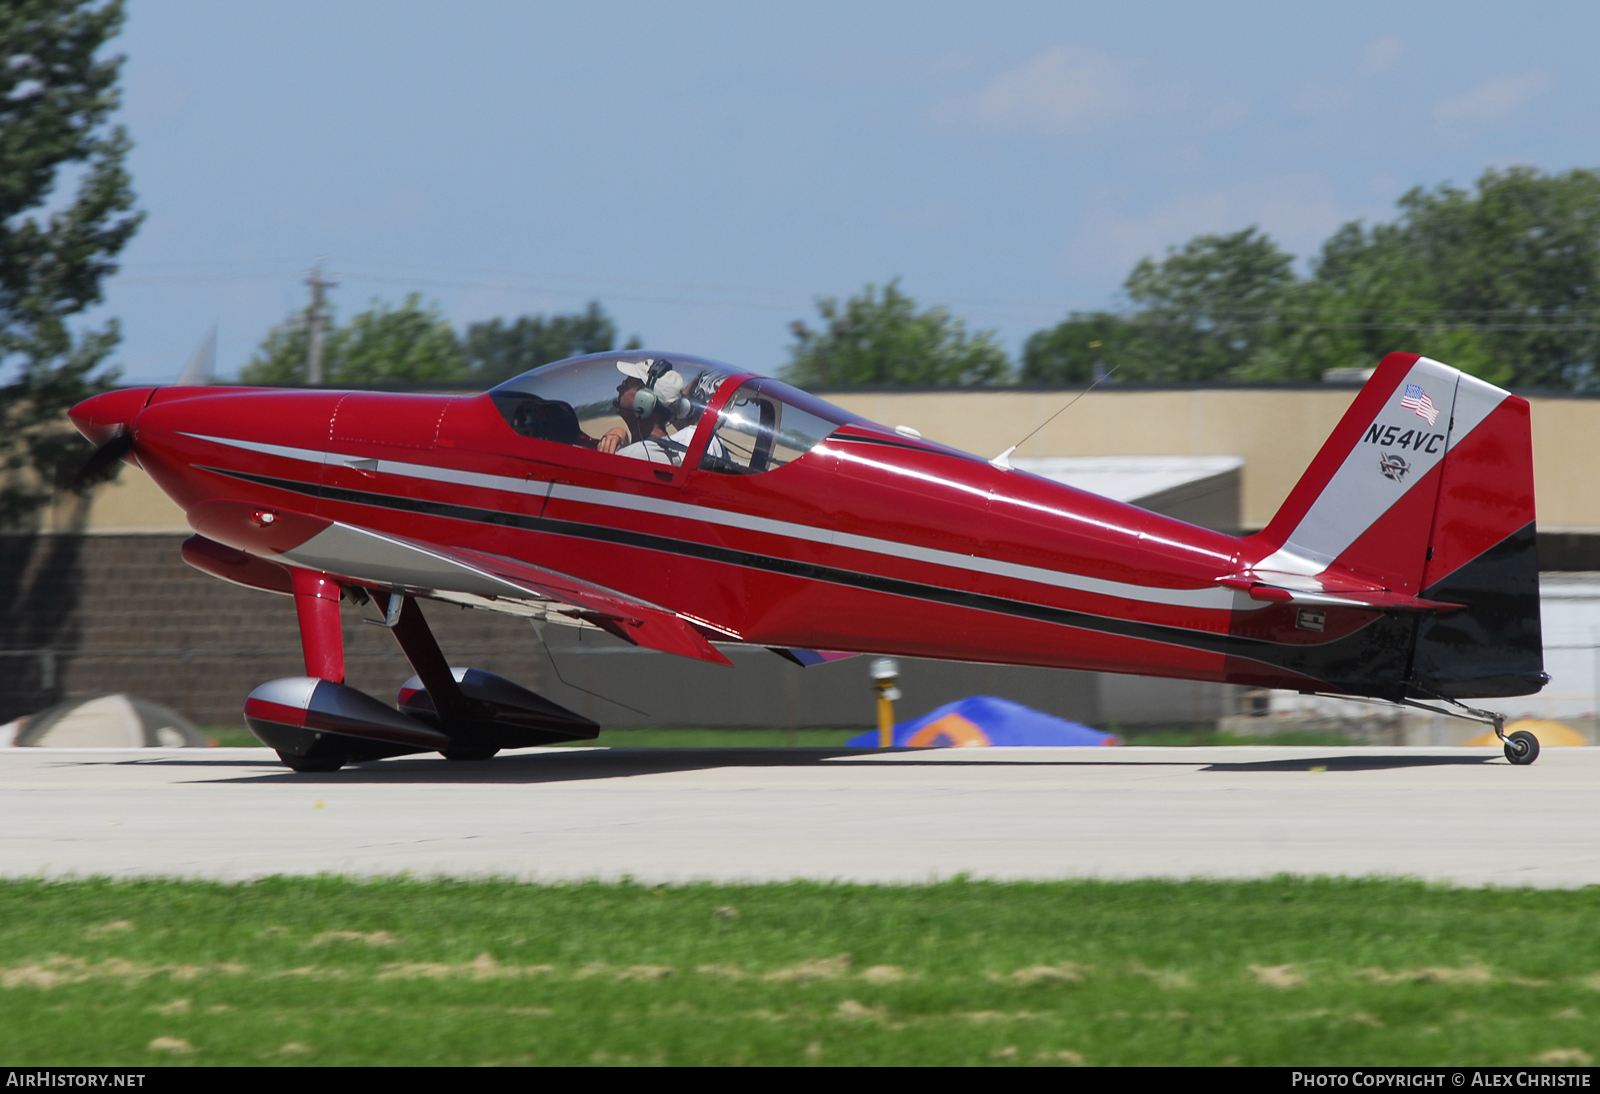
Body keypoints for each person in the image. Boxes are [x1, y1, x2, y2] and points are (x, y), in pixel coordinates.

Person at [599, 360, 725, 466]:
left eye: (626, 384)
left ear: (644, 400)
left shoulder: (632, 458)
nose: (619, 388)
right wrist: (620, 433)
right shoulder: (666, 453)